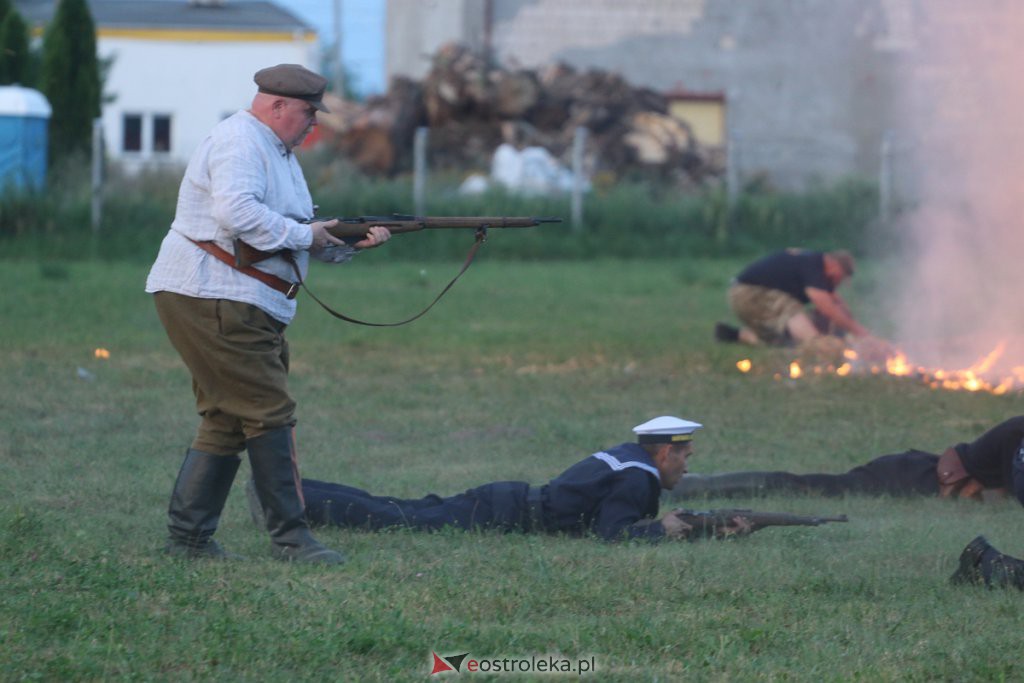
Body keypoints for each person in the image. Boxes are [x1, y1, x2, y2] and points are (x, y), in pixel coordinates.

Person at [145, 64, 391, 564]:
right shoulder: (241, 142)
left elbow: (292, 233)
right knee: (268, 412)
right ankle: (291, 538)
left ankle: (188, 540)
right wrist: (309, 235)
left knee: (226, 419)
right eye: (307, 113)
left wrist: (347, 243)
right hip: (214, 295)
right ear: (278, 106)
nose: (312, 124)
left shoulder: (277, 152)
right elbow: (237, 214)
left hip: (237, 296)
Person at [247, 416, 750, 542]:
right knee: (394, 516)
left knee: (399, 507)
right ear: (663, 452)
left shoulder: (629, 457)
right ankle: (285, 502)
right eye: (683, 454)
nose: (687, 463)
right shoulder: (640, 479)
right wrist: (659, 530)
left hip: (506, 500)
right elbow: (612, 536)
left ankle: (288, 491)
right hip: (506, 511)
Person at [668, 415, 1024, 503]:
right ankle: (693, 486)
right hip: (910, 477)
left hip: (919, 469)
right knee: (801, 485)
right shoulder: (1018, 432)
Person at [715, 248, 882, 349]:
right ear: (834, 265)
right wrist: (860, 334)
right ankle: (829, 348)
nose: (839, 282)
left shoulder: (812, 262)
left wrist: (852, 328)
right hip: (751, 294)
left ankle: (734, 335)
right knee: (812, 341)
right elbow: (826, 307)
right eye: (842, 276)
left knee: (786, 343)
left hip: (743, 295)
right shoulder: (814, 266)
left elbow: (836, 303)